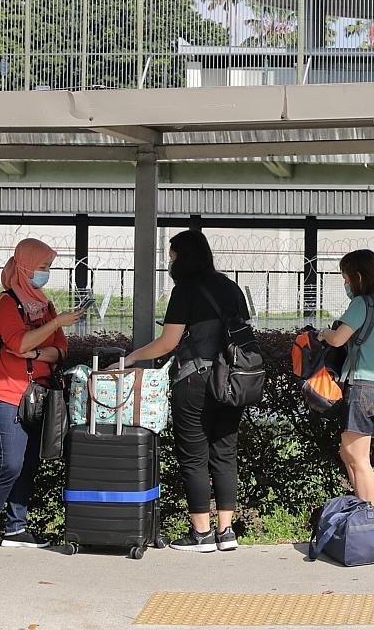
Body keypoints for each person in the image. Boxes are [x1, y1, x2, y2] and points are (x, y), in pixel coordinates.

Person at [125, 229, 250, 553]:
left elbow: (167, 343)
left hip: (195, 382)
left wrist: (132, 357)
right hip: (232, 382)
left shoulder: (185, 291)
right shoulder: (231, 288)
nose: (170, 261)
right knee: (225, 455)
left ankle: (201, 533)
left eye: (173, 255)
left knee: (195, 457)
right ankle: (226, 532)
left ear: (185, 256)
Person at [0, 237, 83, 551]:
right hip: (7, 393)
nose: (45, 274)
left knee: (29, 463)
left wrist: (35, 353)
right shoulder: (6, 303)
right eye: (42, 268)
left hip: (41, 395)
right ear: (24, 267)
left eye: (48, 268)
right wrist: (52, 327)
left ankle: (16, 529)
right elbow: (18, 342)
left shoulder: (45, 306)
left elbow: (60, 351)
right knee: (10, 464)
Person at [318, 250, 374, 505]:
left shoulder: (362, 304)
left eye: (345, 277)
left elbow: (338, 338)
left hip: (362, 387)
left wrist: (323, 333)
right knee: (348, 452)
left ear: (358, 276)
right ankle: (362, 510)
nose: (345, 283)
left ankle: (369, 518)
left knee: (360, 459)